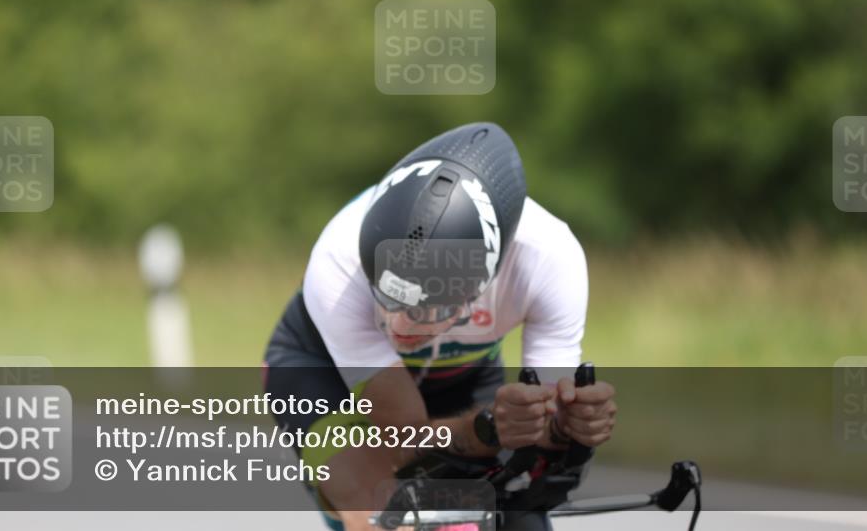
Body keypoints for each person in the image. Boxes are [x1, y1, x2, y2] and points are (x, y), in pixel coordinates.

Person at [264, 122, 616, 530]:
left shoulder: (549, 260)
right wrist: (487, 428)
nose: (398, 326)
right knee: (379, 504)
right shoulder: (338, 262)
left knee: (514, 514)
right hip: (324, 372)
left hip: (460, 372)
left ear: (487, 284)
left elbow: (547, 440)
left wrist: (572, 426)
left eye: (427, 308)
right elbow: (405, 442)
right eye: (387, 295)